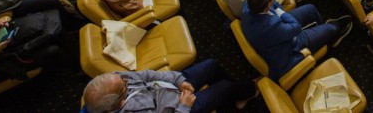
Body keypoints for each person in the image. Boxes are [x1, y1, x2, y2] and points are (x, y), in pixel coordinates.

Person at [241, 0, 353, 80]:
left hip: (278, 27)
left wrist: (278, 11)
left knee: (310, 9)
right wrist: (280, 13)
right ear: (267, 5)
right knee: (331, 29)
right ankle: (332, 36)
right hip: (289, 45)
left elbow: (275, 4)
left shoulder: (248, 4)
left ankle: (322, 30)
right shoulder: (271, 27)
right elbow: (296, 27)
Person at [81, 59, 257, 113]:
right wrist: (184, 106)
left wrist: (180, 81)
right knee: (225, 87)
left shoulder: (116, 79)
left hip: (172, 85)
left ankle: (231, 98)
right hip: (179, 105)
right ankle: (246, 92)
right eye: (124, 86)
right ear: (115, 103)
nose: (127, 80)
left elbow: (149, 75)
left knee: (211, 64)